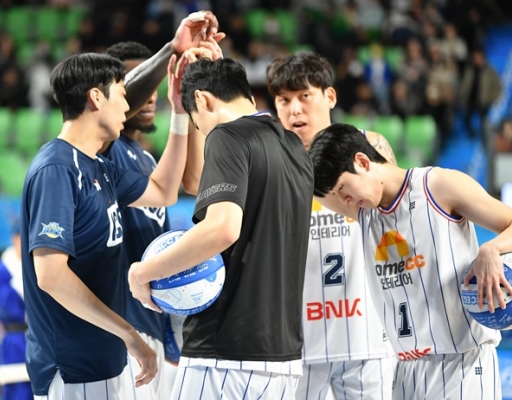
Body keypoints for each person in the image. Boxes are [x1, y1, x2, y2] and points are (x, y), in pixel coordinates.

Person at [20, 12, 222, 399]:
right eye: (121, 92)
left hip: (108, 357)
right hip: (74, 366)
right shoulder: (57, 168)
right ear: (96, 97)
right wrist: (128, 332)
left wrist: (180, 112)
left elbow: (164, 191)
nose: (129, 102)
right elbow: (51, 276)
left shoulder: (99, 165)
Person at [128, 56, 314, 399]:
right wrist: (183, 110)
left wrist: (143, 273)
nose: (202, 132)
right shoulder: (294, 148)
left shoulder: (227, 136)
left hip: (226, 351)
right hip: (284, 358)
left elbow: (222, 229)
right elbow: (199, 182)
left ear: (202, 99)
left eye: (197, 123)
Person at [308, 123, 512, 399]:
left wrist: (492, 248)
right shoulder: (363, 211)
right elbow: (310, 184)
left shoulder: (438, 185)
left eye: (342, 188)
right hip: (406, 370)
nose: (343, 200)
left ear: (362, 162)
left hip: (463, 364)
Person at [266, 50, 396, 400]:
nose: (295, 110)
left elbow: (394, 221)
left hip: (366, 334)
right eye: (284, 100)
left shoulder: (369, 146)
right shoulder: (268, 160)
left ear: (330, 96)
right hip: (296, 343)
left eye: (304, 96)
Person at [102, 40, 182, 400]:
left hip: (152, 325)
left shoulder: (148, 160)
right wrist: (172, 49)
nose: (151, 95)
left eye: (155, 83)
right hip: (121, 325)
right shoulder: (105, 148)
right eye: (138, 82)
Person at [0, 221, 31, 400]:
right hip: (15, 340)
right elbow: (7, 306)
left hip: (42, 339)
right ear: (15, 239)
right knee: (18, 393)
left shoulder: (40, 266)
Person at [459, 48, 502, 148]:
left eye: (478, 57)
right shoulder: (470, 70)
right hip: (470, 99)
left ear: (483, 57)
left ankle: (484, 140)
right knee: (466, 119)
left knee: (484, 122)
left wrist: (493, 98)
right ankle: (471, 135)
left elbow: (498, 86)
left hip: (483, 101)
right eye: (475, 57)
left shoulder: (490, 71)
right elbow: (464, 84)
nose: (476, 59)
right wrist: (461, 95)